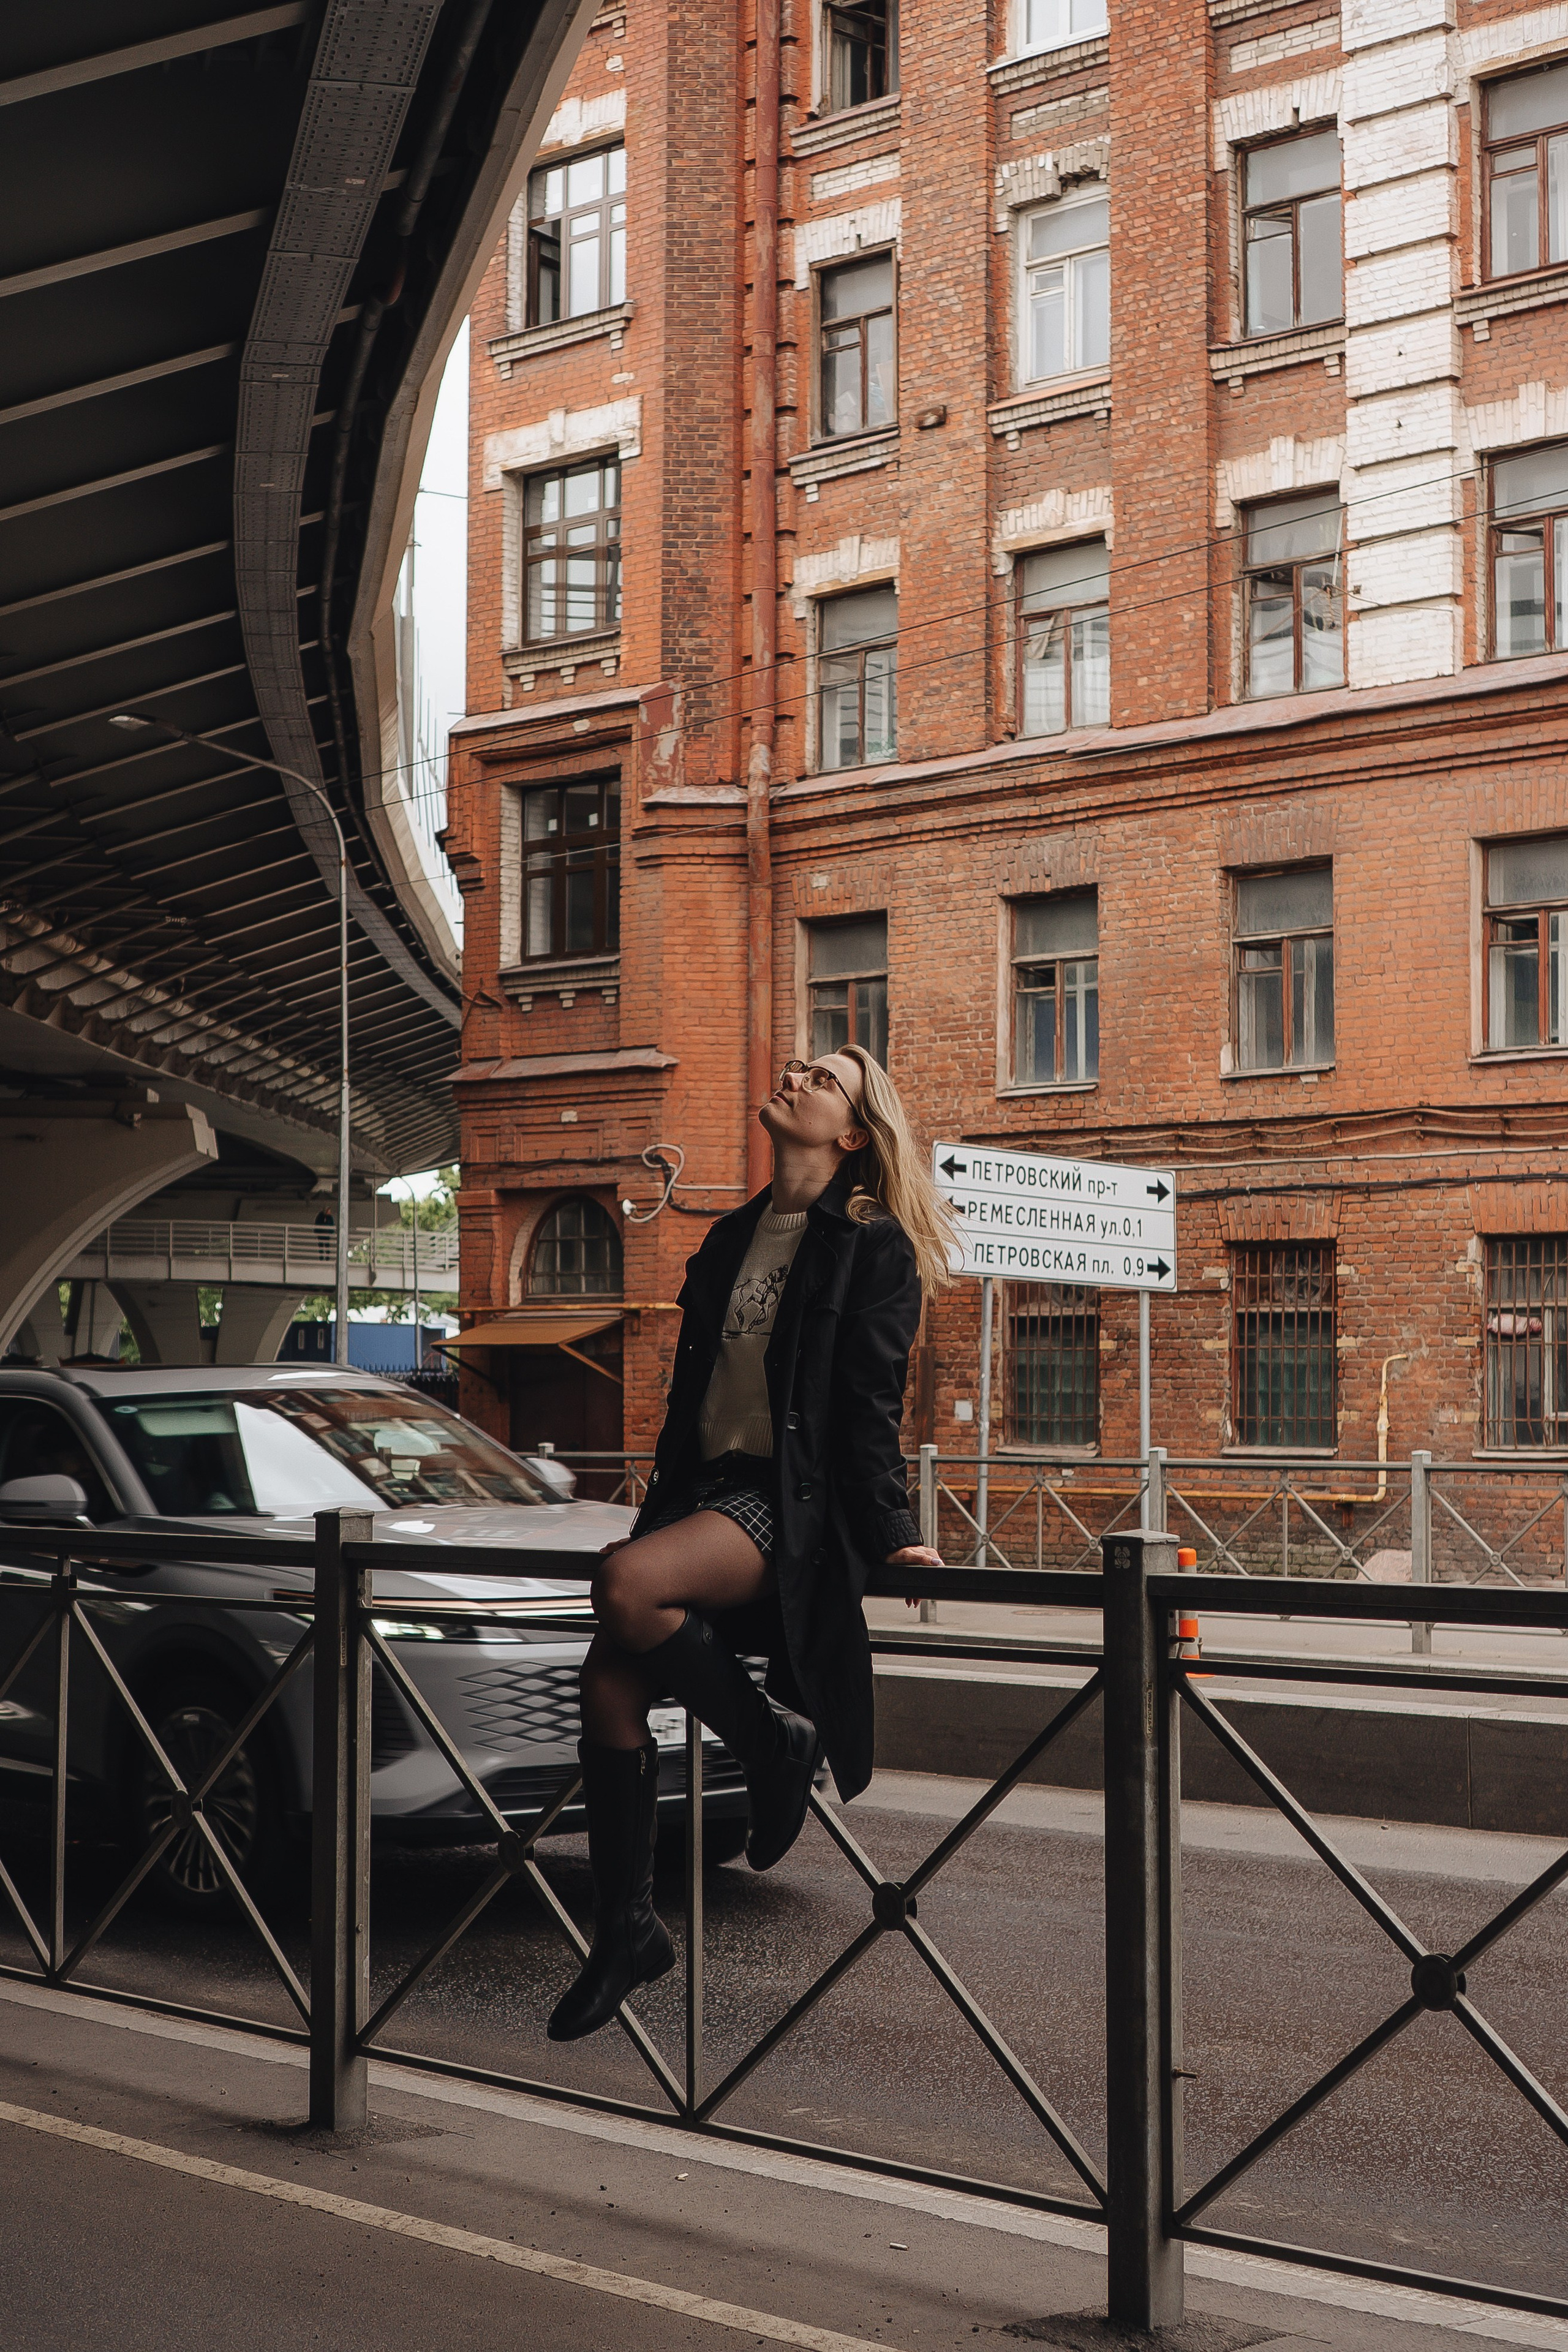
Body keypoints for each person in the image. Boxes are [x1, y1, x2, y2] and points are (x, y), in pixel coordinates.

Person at [547, 1044, 958, 2041]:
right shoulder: (733, 1234)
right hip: (709, 1492)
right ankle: (627, 1930)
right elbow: (693, 1396)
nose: (795, 1075)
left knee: (627, 1585)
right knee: (606, 1688)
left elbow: (867, 1406)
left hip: (791, 1502)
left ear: (854, 1135)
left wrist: (896, 1532)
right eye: (800, 1067)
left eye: (824, 1080)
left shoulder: (872, 1247)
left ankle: (777, 1741)